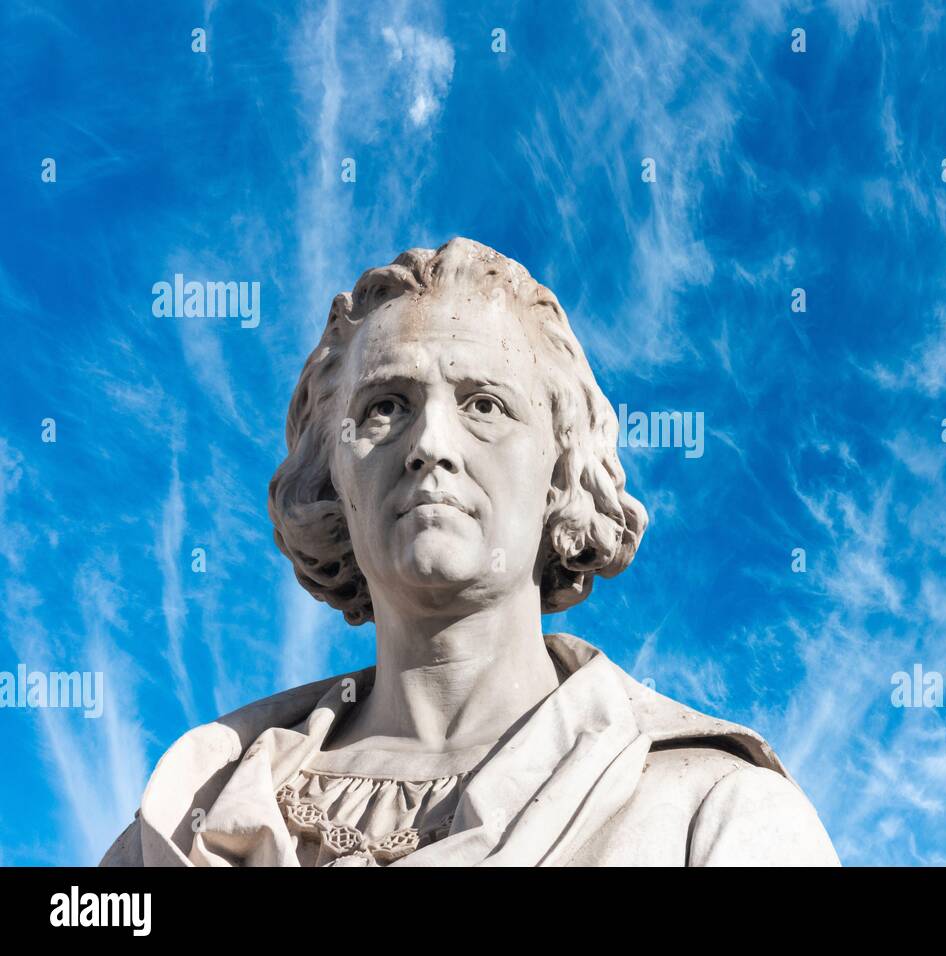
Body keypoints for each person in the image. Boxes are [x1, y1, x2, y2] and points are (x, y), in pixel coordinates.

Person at [101, 238, 839, 867]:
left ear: (562, 470)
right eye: (385, 406)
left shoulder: (712, 815)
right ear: (332, 473)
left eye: (485, 404)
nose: (430, 446)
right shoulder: (182, 819)